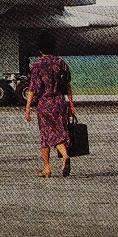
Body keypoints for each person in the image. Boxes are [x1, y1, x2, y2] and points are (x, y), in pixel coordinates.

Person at [24, 32, 77, 178]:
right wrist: (71, 105)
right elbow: (67, 85)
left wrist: (27, 108)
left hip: (45, 103)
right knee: (60, 132)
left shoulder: (37, 65)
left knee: (46, 135)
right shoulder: (60, 62)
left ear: (40, 49)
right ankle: (61, 158)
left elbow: (33, 88)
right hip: (60, 102)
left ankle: (49, 166)